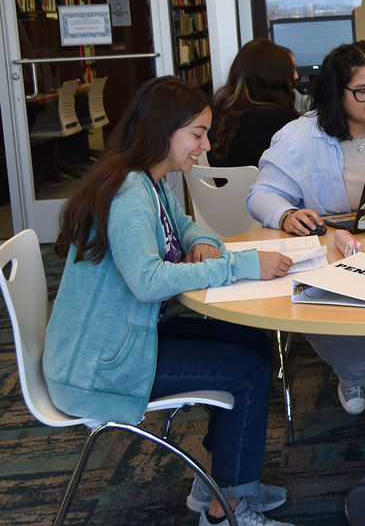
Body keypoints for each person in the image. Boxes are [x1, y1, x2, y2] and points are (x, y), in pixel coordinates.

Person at [43, 76, 298, 526]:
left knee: (246, 339)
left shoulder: (148, 182)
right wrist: (238, 265)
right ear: (162, 130)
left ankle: (221, 480)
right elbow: (146, 281)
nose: (205, 146)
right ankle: (226, 511)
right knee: (250, 371)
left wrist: (201, 242)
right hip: (101, 364)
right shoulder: (128, 193)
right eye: (197, 134)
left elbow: (186, 226)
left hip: (122, 341)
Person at [247, 41, 365, 428]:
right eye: (363, 91)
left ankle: (354, 374)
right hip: (333, 258)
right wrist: (285, 213)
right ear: (337, 92)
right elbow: (261, 195)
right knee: (315, 303)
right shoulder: (300, 137)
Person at [209, 38, 300, 167]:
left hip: (224, 187)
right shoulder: (284, 120)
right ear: (273, 76)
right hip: (267, 186)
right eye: (288, 70)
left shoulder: (218, 112)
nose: (296, 76)